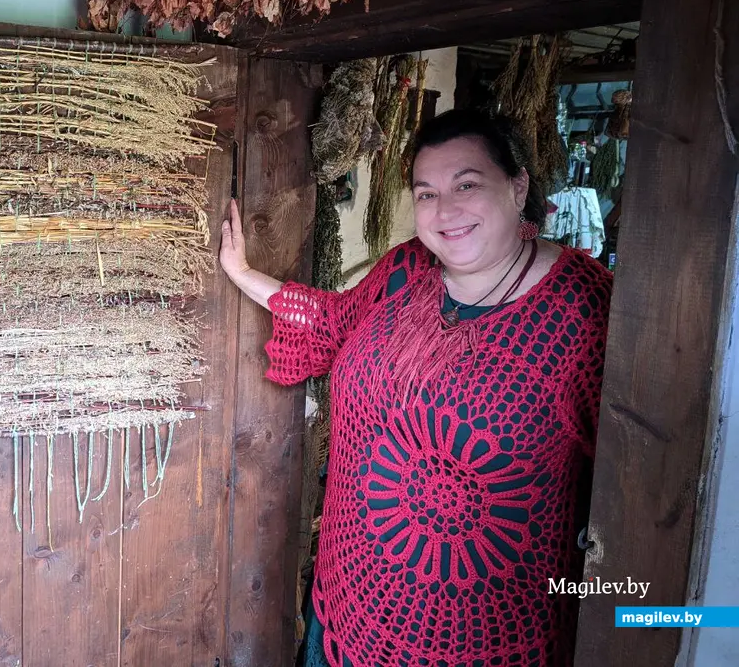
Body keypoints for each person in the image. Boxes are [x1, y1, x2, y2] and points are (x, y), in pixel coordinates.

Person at [219, 109, 612, 667]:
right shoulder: (407, 270)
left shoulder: (581, 310)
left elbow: (639, 487)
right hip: (349, 602)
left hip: (487, 639)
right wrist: (243, 273)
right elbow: (336, 323)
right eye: (426, 194)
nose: (445, 210)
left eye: (467, 184)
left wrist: (640, 607)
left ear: (518, 185)